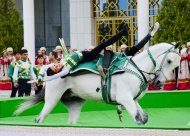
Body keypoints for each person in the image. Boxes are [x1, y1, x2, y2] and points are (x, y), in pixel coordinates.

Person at [36, 25, 129, 82]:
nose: (57, 66)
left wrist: (39, 76)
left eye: (54, 66)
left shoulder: (62, 61)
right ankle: (122, 33)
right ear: (58, 72)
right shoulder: (66, 69)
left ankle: (122, 39)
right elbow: (52, 77)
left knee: (106, 48)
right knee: (104, 44)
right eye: (56, 69)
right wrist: (42, 79)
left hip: (85, 52)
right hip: (88, 56)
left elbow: (44, 67)